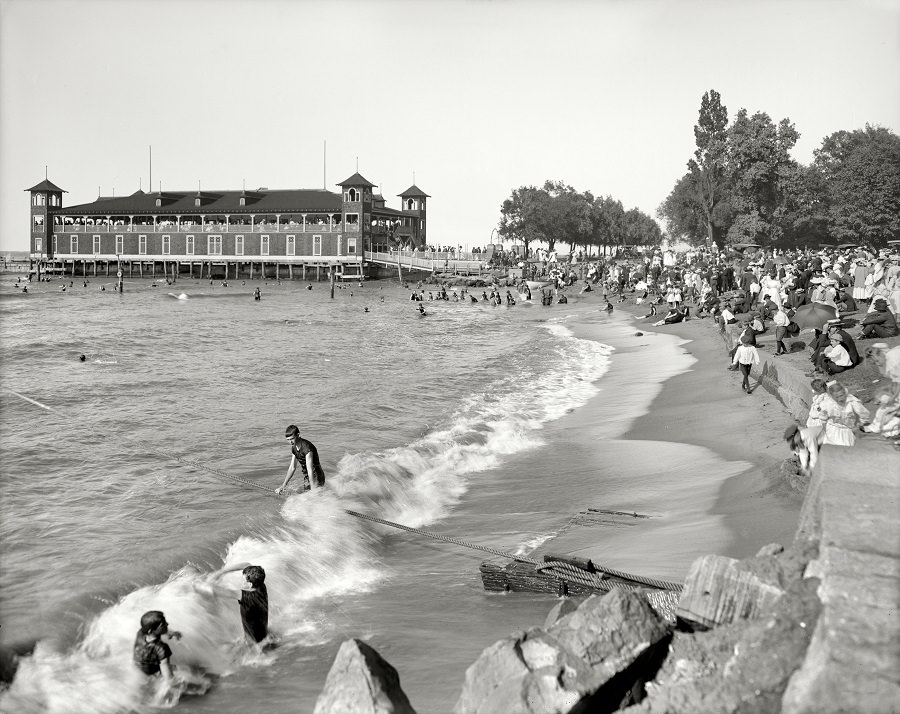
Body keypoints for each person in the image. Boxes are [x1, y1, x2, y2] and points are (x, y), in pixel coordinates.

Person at [197, 563, 268, 644]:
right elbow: (246, 565)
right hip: (262, 634)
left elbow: (212, 590)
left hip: (254, 643)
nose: (241, 581)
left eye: (243, 580)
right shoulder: (261, 585)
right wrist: (222, 572)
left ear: (250, 584)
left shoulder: (245, 596)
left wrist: (197, 583)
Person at [133, 610, 181, 680]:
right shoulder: (161, 648)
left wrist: (170, 633)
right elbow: (168, 677)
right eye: (163, 625)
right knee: (182, 670)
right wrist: (175, 685)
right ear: (151, 630)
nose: (167, 624)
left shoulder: (141, 633)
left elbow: (152, 629)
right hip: (152, 674)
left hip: (138, 667)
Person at [277, 424, 325, 493]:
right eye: (288, 440)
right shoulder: (294, 447)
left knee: (314, 497)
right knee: (307, 498)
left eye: (292, 439)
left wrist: (313, 488)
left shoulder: (307, 448)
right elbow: (292, 467)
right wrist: (283, 485)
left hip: (316, 476)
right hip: (307, 476)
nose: (290, 442)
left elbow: (310, 469)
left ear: (298, 435)